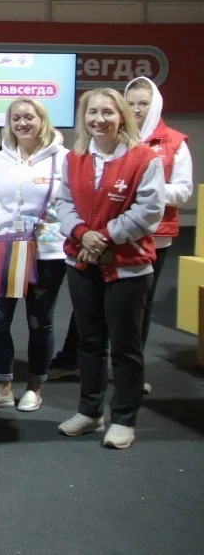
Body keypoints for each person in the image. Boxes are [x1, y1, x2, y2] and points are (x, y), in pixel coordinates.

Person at [54, 89, 164, 450]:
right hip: (82, 261)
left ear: (121, 117)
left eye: (107, 112)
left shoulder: (144, 158)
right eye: (92, 112)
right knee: (89, 342)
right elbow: (63, 203)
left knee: (125, 347)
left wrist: (105, 236)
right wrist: (81, 234)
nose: (99, 119)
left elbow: (149, 211)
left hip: (128, 267)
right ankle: (89, 412)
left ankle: (123, 419)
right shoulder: (74, 157)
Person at [0, 98, 68, 412]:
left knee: (39, 322)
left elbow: (70, 202)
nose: (22, 123)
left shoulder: (62, 158)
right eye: (16, 118)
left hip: (47, 252)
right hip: (6, 247)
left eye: (29, 117)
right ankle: (3, 388)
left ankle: (35, 387)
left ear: (42, 120)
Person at [124, 76, 192, 392]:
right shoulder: (115, 137)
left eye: (143, 104)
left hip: (156, 236)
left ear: (156, 106)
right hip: (115, 233)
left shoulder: (175, 142)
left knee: (142, 304)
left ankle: (132, 371)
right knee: (107, 304)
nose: (136, 110)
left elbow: (183, 192)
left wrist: (147, 189)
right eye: (131, 103)